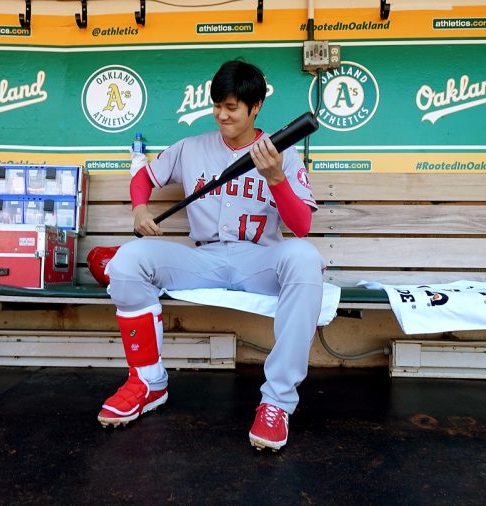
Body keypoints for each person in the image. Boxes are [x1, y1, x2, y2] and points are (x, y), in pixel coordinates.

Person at [97, 60, 325, 452]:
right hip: (203, 259)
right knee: (129, 260)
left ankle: (276, 403)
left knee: (304, 258)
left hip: (259, 261)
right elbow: (144, 177)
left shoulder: (281, 153)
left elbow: (301, 225)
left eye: (232, 107)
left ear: (255, 108)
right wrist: (139, 208)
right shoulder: (191, 147)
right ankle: (149, 383)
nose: (222, 114)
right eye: (217, 104)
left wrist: (276, 178)